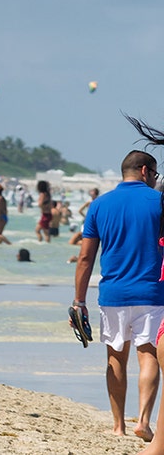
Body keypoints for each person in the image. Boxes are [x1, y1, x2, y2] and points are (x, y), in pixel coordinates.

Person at [72, 150, 163, 443]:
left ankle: (117, 426)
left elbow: (85, 258)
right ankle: (144, 422)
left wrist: (79, 300)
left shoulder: (99, 205)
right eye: (156, 175)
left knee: (115, 357)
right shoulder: (159, 202)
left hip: (112, 293)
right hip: (152, 292)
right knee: (148, 355)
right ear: (146, 171)